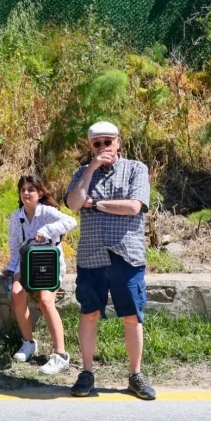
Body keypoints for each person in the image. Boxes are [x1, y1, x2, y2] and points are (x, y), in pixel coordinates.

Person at [65, 121, 156, 400]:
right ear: (90, 146)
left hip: (126, 254)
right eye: (97, 143)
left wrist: (95, 204)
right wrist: (91, 169)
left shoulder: (136, 169)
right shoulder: (82, 173)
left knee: (131, 316)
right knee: (89, 314)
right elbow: (72, 203)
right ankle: (87, 372)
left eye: (108, 141)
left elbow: (133, 206)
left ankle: (135, 375)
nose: (103, 147)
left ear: (118, 142)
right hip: (91, 255)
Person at [4, 174, 77, 374]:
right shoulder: (16, 216)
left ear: (40, 193)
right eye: (23, 190)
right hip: (26, 263)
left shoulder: (47, 212)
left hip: (49, 265)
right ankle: (28, 342)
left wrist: (46, 230)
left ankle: (61, 354)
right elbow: (14, 244)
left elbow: (71, 221)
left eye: (31, 190)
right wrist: (12, 267)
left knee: (46, 301)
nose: (26, 193)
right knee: (16, 294)